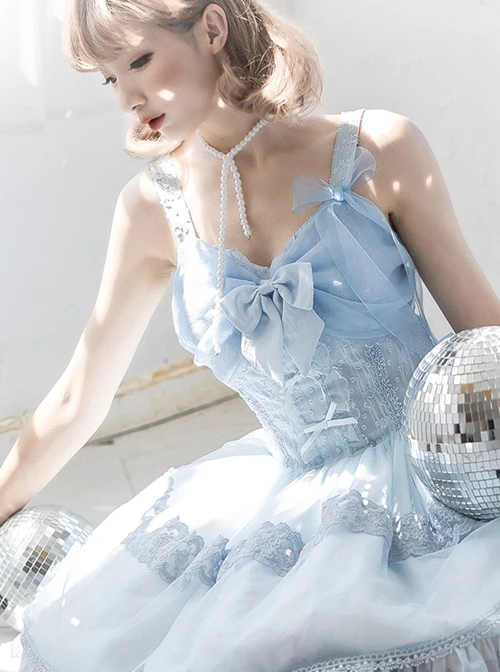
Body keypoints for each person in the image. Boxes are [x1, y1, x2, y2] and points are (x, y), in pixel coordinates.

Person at [2, 0, 500, 669]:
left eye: (140, 60)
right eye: (111, 78)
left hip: (435, 472)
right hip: (290, 497)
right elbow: (77, 399)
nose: (127, 98)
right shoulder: (151, 210)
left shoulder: (379, 147)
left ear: (212, 28)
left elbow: (485, 335)